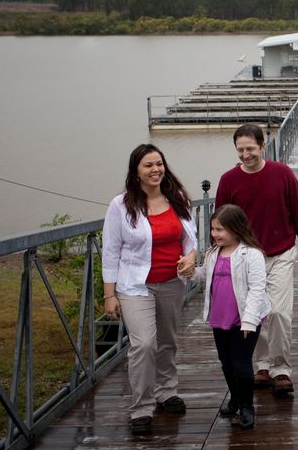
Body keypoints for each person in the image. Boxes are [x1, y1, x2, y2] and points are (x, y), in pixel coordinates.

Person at [215, 124, 298, 396]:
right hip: (246, 257)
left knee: (279, 313)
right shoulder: (228, 180)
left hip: (280, 253)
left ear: (263, 146)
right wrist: (217, 257)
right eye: (240, 150)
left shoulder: (282, 174)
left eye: (250, 149)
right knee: (256, 313)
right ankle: (262, 365)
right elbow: (220, 223)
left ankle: (281, 369)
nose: (245, 155)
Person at [102, 144, 197, 434]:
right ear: (136, 171)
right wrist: (109, 295)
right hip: (134, 285)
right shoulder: (120, 205)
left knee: (167, 340)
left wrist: (191, 258)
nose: (156, 170)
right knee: (143, 344)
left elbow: (190, 238)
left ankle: (166, 391)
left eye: (159, 164)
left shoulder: (178, 198)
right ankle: (141, 406)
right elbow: (110, 250)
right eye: (148, 165)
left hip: (171, 282)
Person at [183, 204, 271, 429]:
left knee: (241, 364)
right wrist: (189, 270)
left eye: (220, 229)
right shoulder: (213, 252)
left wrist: (250, 321)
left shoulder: (251, 255)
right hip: (220, 317)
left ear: (236, 228)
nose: (214, 234)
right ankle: (235, 398)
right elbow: (204, 276)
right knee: (226, 362)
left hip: (244, 319)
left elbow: (257, 289)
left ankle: (247, 407)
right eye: (212, 229)